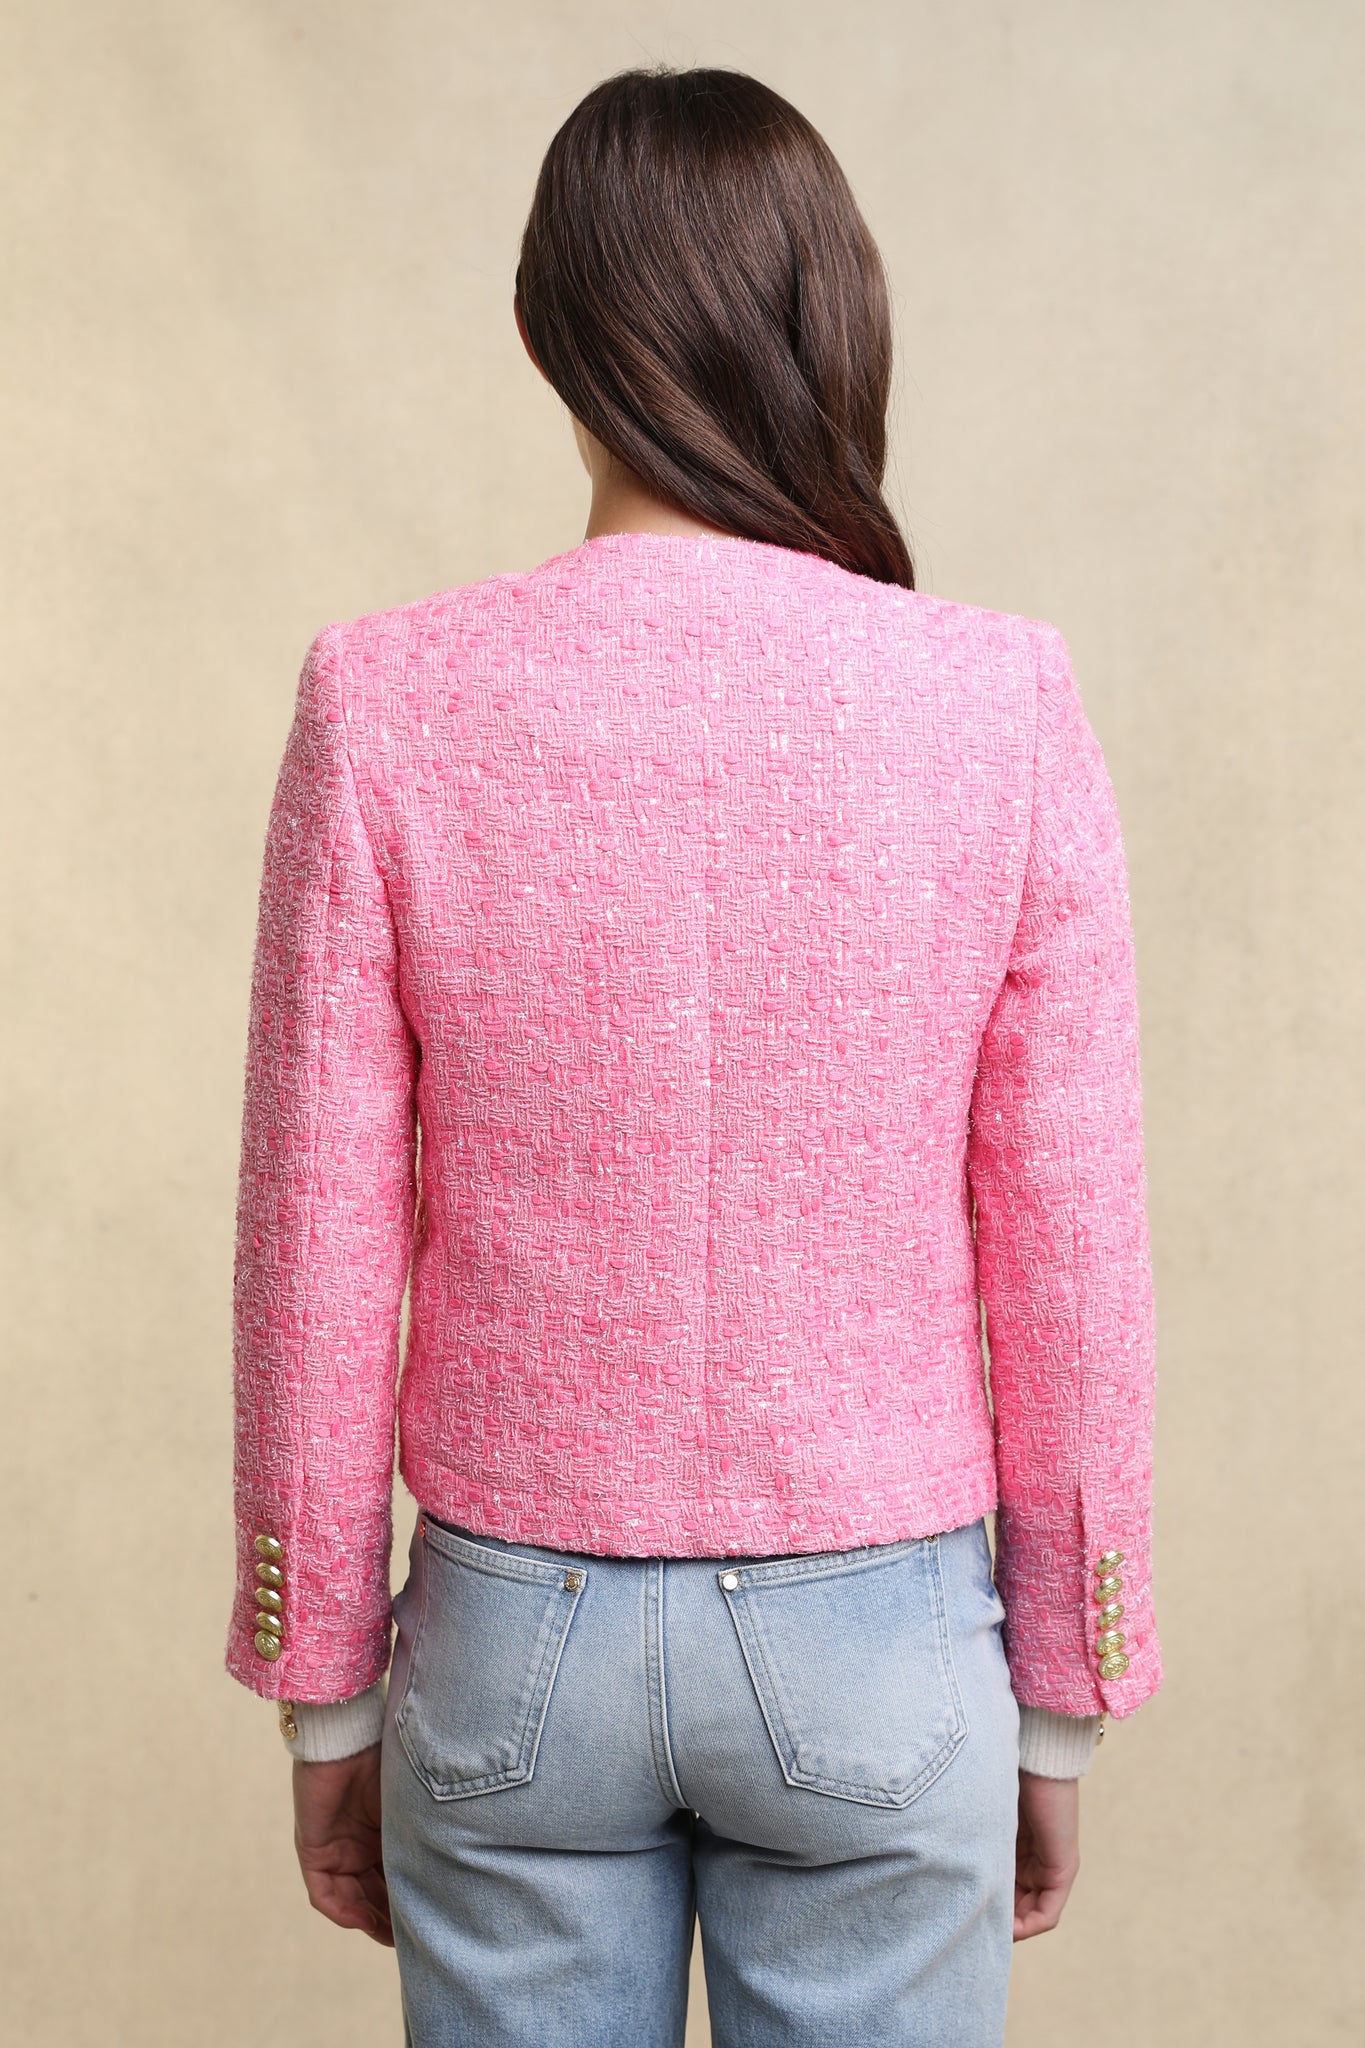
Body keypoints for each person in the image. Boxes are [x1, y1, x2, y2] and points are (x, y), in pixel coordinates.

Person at [226, 64, 1161, 2048]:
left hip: (508, 1644)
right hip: (880, 1638)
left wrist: (320, 1684)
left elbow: (313, 1236)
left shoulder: (384, 697)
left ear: (539, 335)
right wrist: (1063, 1694)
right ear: (835, 322)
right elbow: (1069, 1249)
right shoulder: (997, 701)